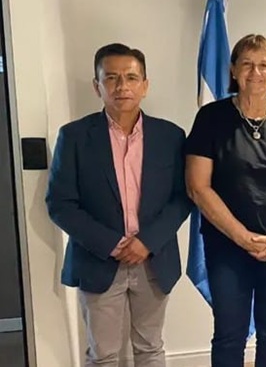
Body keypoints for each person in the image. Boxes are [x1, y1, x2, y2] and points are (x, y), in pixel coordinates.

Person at [46, 43, 191, 366]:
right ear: (97, 86)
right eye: (111, 78)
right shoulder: (74, 137)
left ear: (145, 85)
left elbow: (182, 197)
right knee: (103, 355)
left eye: (131, 77)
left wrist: (147, 241)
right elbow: (60, 203)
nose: (122, 86)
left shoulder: (170, 136)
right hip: (98, 260)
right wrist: (111, 244)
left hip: (153, 259)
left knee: (150, 348)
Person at [184, 34, 266, 367]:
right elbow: (198, 187)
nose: (256, 73)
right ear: (234, 70)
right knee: (229, 334)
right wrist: (243, 238)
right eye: (247, 64)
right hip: (227, 246)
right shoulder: (211, 117)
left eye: (264, 65)